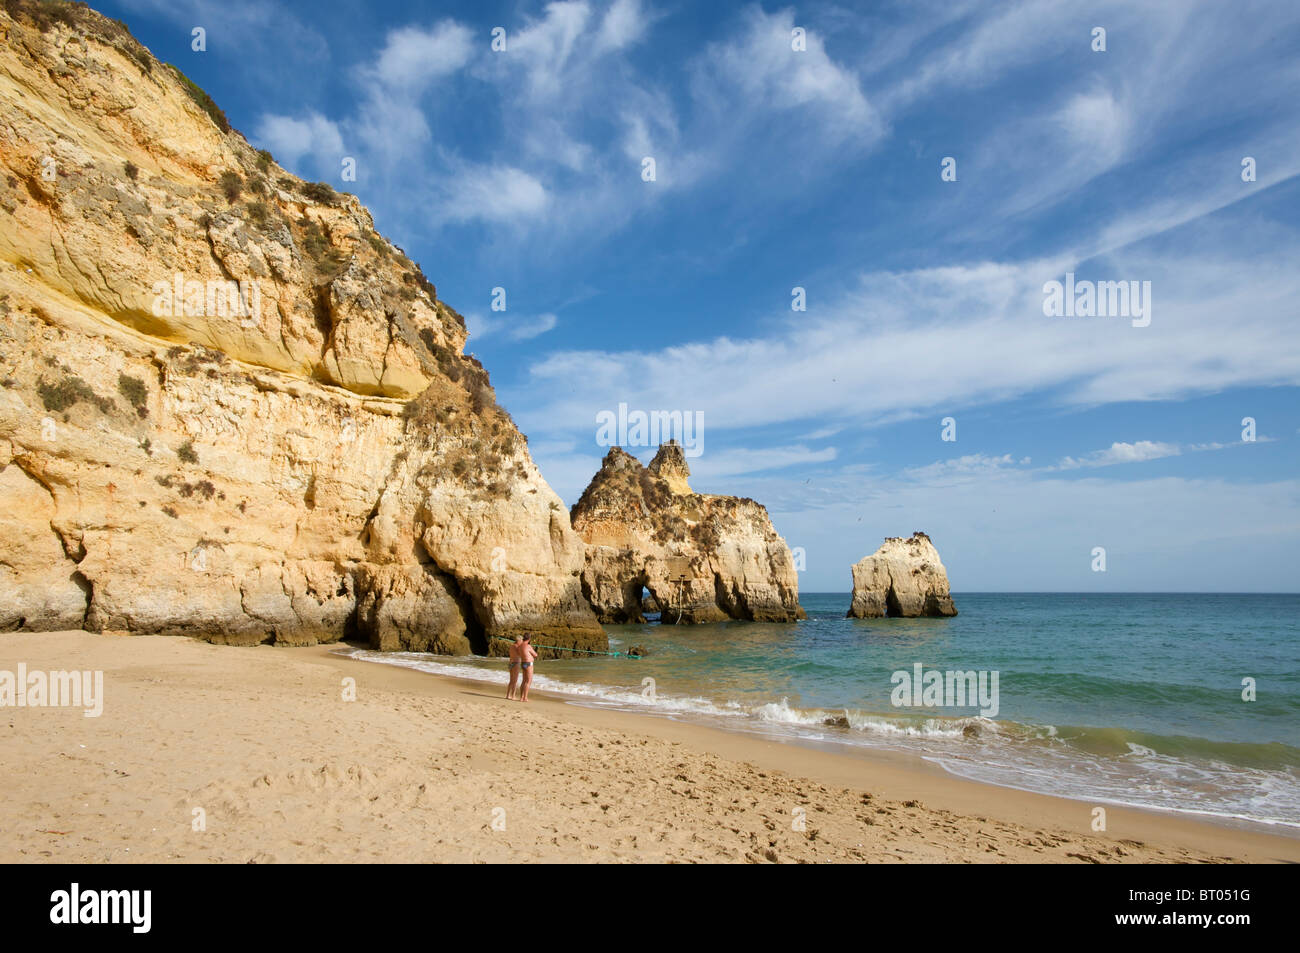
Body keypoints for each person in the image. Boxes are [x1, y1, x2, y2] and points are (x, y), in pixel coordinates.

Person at [518, 634, 538, 702]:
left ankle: (521, 697)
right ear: (529, 639)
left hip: (523, 663)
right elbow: (535, 655)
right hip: (529, 664)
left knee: (524, 681)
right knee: (528, 681)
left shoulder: (520, 646)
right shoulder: (528, 646)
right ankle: (525, 698)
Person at [505, 635, 524, 700]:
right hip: (516, 663)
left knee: (511, 680)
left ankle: (508, 695)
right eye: (521, 640)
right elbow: (521, 655)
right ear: (519, 640)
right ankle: (513, 696)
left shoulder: (512, 646)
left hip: (510, 663)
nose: (522, 641)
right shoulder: (517, 647)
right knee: (515, 681)